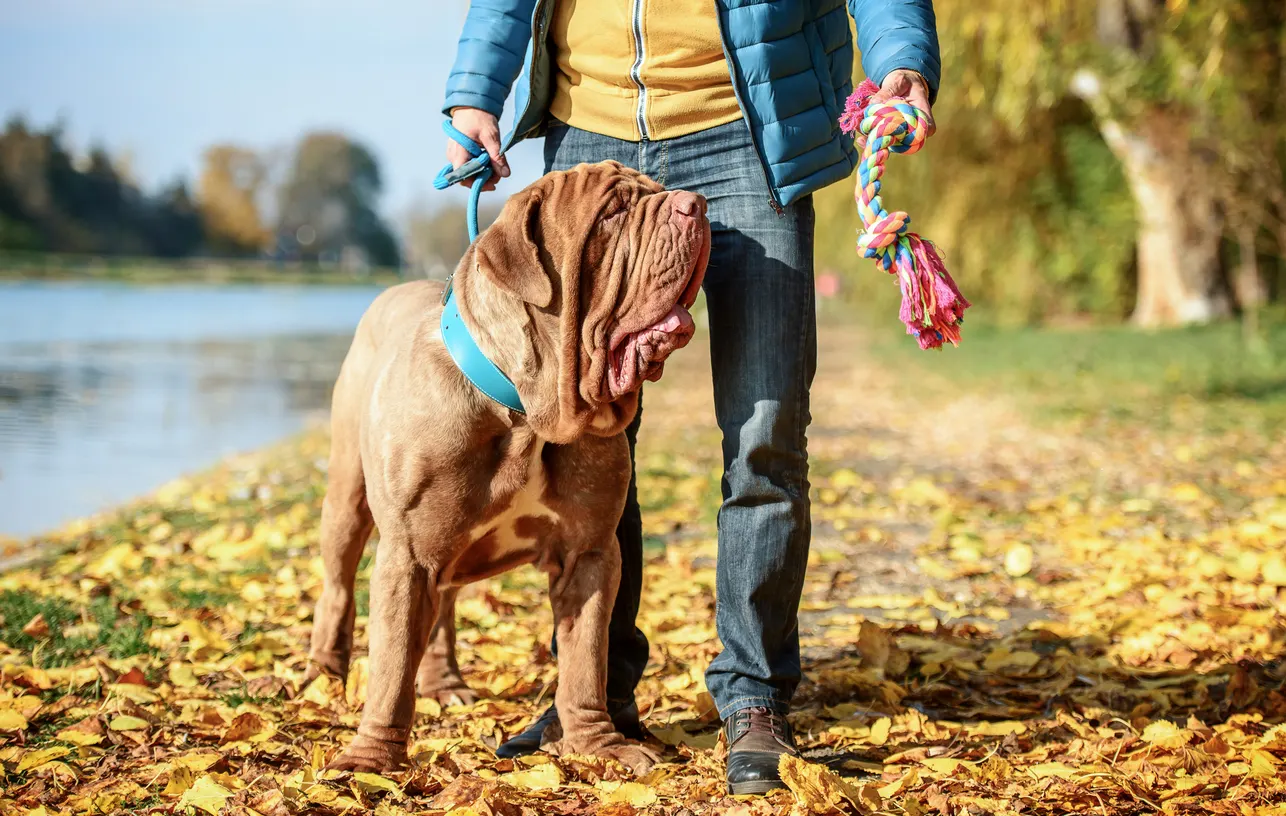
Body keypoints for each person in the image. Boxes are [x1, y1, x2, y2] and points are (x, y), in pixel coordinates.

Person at [440, 0, 940, 795]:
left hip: (747, 131)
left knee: (766, 431)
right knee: (587, 439)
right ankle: (594, 697)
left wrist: (902, 61)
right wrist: (475, 92)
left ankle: (755, 701)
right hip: (593, 138)